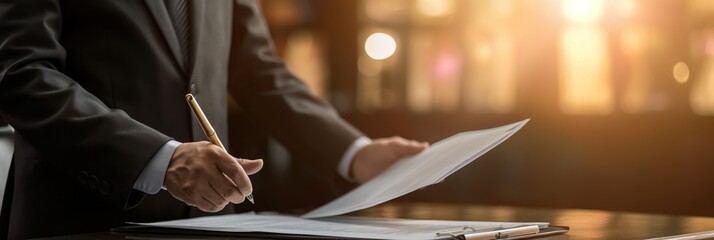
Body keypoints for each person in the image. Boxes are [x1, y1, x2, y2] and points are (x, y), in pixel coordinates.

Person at [0, 0, 428, 239]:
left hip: (203, 228)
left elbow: (258, 70)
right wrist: (158, 159)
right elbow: (19, 73)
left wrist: (353, 151)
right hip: (79, 226)